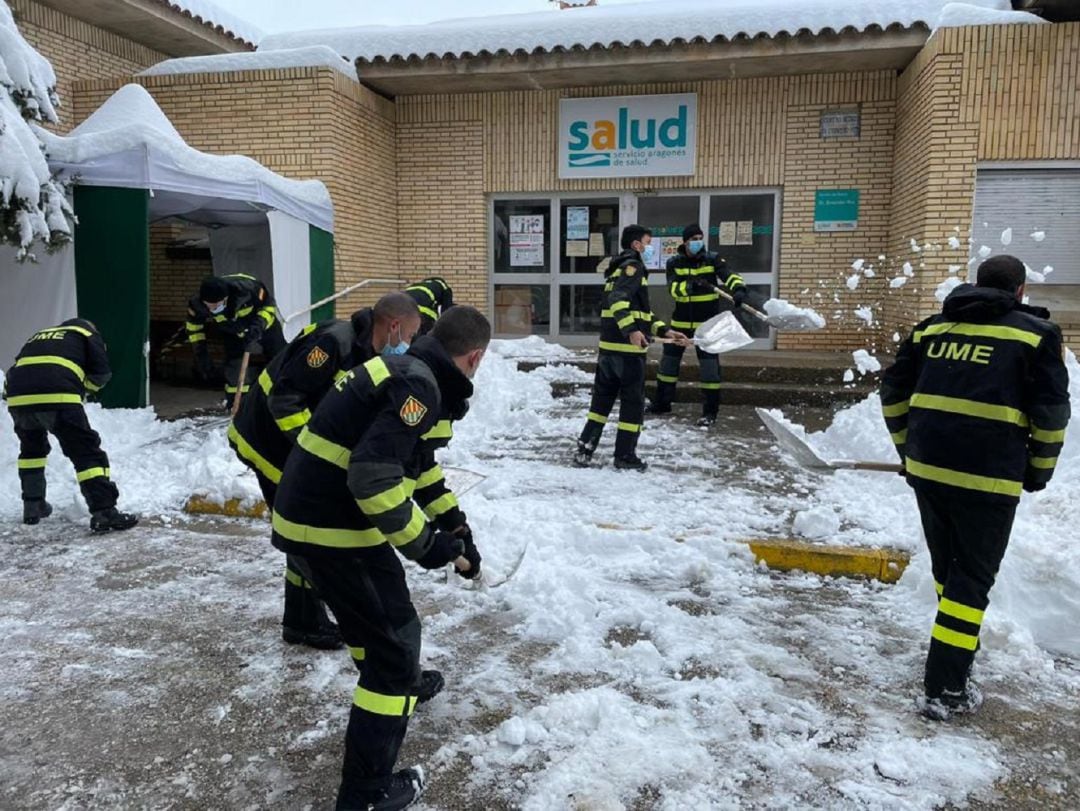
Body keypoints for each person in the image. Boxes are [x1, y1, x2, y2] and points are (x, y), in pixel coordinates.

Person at [270, 306, 489, 810]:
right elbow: (374, 479)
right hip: (332, 529)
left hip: (315, 520)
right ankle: (366, 795)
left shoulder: (407, 370)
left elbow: (417, 466)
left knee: (383, 626)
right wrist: (428, 545)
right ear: (474, 357)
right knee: (393, 648)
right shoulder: (420, 387)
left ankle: (399, 680)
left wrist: (454, 523)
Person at [880, 255, 1070, 721]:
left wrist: (909, 450)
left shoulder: (930, 329)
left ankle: (956, 646)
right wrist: (1038, 471)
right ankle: (945, 688)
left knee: (950, 570)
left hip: (928, 472)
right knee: (971, 582)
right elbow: (1050, 414)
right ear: (1020, 291)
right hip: (987, 479)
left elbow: (892, 393)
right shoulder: (1035, 336)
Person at [229, 293, 422, 651]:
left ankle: (301, 621)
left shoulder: (367, 352)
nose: (409, 344)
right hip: (267, 442)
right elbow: (285, 402)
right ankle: (314, 618)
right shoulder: (334, 343)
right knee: (307, 534)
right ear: (394, 326)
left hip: (290, 447)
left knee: (306, 534)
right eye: (410, 334)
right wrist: (314, 456)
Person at [4, 319, 139, 532]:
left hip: (18, 397)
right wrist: (83, 389)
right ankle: (104, 512)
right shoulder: (88, 334)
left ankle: (33, 506)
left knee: (32, 452)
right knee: (86, 452)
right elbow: (101, 374)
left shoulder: (41, 335)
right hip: (57, 394)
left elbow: (20, 367)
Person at [573, 225, 689, 471]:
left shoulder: (616, 269)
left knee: (600, 404)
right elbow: (618, 303)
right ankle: (625, 456)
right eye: (647, 243)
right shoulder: (634, 267)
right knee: (633, 405)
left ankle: (585, 449)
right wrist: (632, 332)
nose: (649, 248)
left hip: (608, 351)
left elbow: (641, 313)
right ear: (637, 244)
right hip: (627, 354)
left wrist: (665, 331)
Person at [651, 223, 748, 426]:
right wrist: (691, 285)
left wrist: (738, 289)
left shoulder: (712, 259)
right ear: (685, 241)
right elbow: (674, 290)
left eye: (699, 238)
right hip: (680, 324)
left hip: (707, 325)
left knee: (709, 370)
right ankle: (662, 403)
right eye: (693, 239)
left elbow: (728, 275)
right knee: (668, 366)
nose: (697, 242)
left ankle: (710, 412)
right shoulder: (674, 262)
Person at [186, 274, 286, 403]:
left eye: (216, 305)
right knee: (235, 370)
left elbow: (268, 305)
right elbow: (194, 329)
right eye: (208, 305)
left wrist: (258, 325)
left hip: (264, 325)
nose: (213, 309)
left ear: (226, 298)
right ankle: (238, 405)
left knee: (280, 359)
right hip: (232, 331)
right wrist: (201, 355)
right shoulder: (197, 304)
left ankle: (281, 399)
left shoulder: (248, 289)